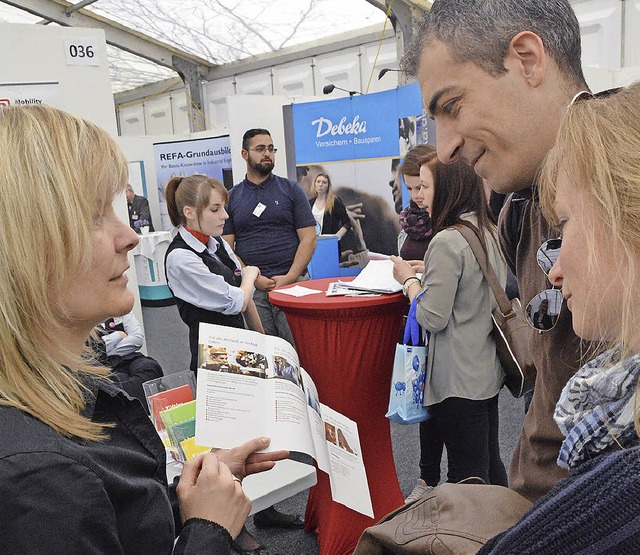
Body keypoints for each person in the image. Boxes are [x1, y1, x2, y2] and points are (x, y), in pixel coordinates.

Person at [0, 104, 288, 553]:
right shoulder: (40, 478)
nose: (130, 237)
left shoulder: (65, 405)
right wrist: (208, 532)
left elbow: (123, 523)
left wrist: (189, 495)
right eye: (96, 215)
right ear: (26, 241)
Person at [402, 0, 591, 503]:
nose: (443, 149)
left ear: (527, 59)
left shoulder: (623, 184)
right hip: (537, 503)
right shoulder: (516, 209)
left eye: (452, 105)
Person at [478, 82, 640, 553]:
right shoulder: (611, 416)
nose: (556, 271)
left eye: (565, 224)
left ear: (627, 217)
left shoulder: (618, 498)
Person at [392, 153, 509, 489]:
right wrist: (431, 275)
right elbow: (473, 289)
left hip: (457, 378)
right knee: (488, 465)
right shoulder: (485, 229)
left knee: (465, 479)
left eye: (425, 186)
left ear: (447, 189)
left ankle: (473, 542)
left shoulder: (446, 241)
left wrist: (409, 282)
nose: (420, 196)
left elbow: (432, 316)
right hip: (484, 369)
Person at [222, 129, 316, 347]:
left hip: (294, 285)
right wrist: (253, 277)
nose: (268, 154)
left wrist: (290, 276)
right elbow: (227, 247)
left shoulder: (290, 189)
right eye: (260, 149)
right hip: (254, 290)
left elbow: (309, 238)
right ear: (245, 154)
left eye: (271, 149)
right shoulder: (233, 197)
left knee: (300, 350)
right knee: (265, 354)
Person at [164, 174, 264, 374]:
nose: (225, 216)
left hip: (238, 345)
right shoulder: (180, 258)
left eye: (224, 208)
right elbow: (237, 301)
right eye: (215, 209)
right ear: (189, 212)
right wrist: (251, 275)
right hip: (212, 357)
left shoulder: (217, 243)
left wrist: (262, 341)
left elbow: (244, 295)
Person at [396, 144, 435, 260]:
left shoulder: (452, 220)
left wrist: (428, 269)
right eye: (409, 188)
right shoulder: (408, 219)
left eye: (420, 187)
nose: (415, 196)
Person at [309, 172, 351, 245]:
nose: (320, 184)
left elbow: (347, 223)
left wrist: (336, 237)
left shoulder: (335, 202)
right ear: (314, 184)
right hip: (313, 244)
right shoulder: (310, 203)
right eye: (318, 182)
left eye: (324, 182)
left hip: (329, 244)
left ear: (328, 186)